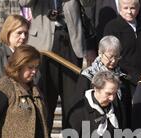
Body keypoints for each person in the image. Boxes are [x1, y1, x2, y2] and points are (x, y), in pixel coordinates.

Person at [19, 0, 97, 130]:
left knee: (73, 101)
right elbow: (23, 2)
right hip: (43, 46)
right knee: (44, 99)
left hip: (71, 43)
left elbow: (89, 3)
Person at [72, 35, 132, 128]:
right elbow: (80, 105)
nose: (113, 61)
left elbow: (126, 105)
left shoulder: (122, 76)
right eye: (110, 57)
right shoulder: (88, 75)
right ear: (100, 53)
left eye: (116, 57)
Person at [103, 0, 141, 86]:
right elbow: (112, 56)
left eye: (132, 8)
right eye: (125, 8)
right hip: (121, 80)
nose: (129, 12)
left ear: (138, 9)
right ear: (119, 9)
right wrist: (134, 76)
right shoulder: (112, 28)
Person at [0, 14, 30, 112]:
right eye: (19, 33)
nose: (23, 37)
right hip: (4, 118)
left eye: (25, 33)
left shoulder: (28, 58)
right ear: (8, 33)